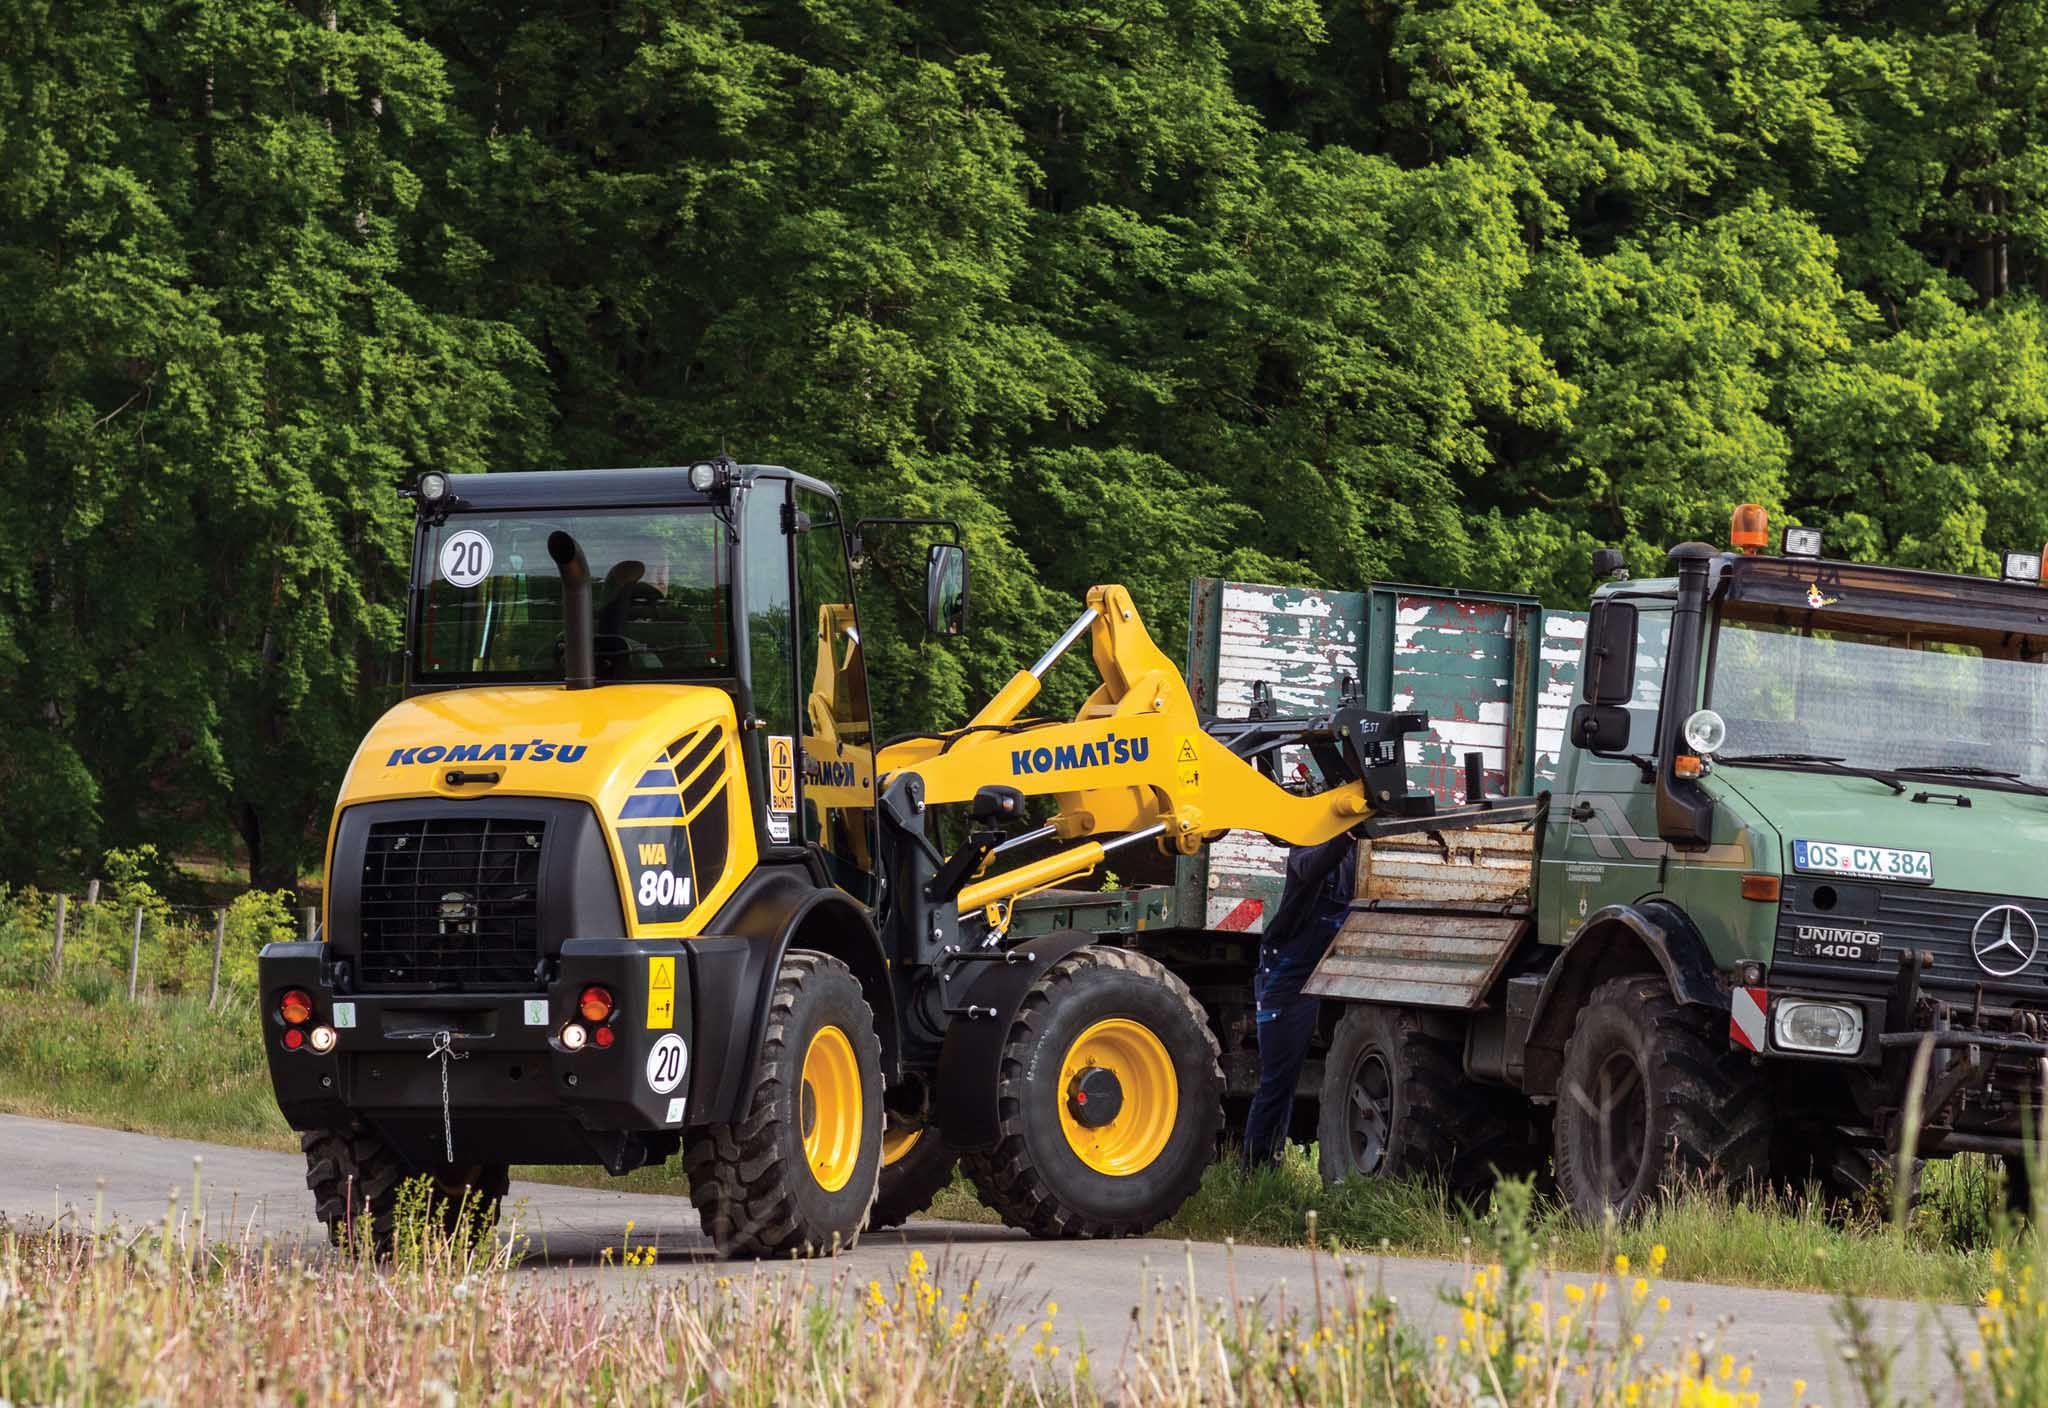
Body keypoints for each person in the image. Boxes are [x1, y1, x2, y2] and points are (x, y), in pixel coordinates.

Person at [1240, 830, 1358, 1170]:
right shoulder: (1307, 845)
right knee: (1279, 1079)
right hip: (1286, 970)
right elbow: (1311, 867)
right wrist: (1346, 836)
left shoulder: (1357, 857)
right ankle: (1258, 1170)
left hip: (1331, 965)